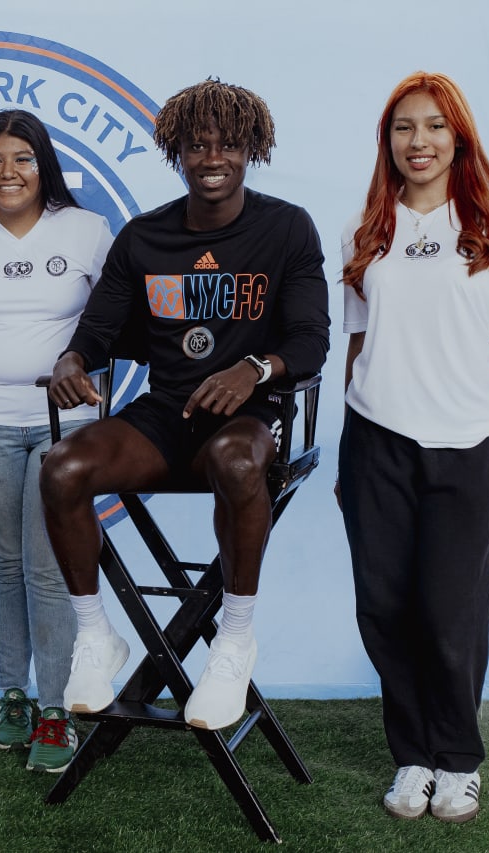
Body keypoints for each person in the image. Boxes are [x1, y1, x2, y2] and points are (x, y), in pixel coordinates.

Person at [40, 80, 330, 731]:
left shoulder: (286, 228)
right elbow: (97, 333)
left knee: (233, 460)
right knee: (61, 468)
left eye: (227, 143)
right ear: (177, 152)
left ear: (251, 148)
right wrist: (70, 362)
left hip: (254, 420)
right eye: (197, 145)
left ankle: (234, 639)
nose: (212, 157)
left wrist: (254, 368)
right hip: (167, 415)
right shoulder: (145, 237)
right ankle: (96, 635)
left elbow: (311, 341)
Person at [338, 71, 489, 823]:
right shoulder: (369, 230)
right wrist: (360, 421)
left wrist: (459, 372)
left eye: (432, 126)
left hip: (466, 439)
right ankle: (414, 756)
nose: (417, 141)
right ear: (387, 142)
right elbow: (359, 346)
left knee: (450, 608)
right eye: (402, 128)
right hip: (376, 440)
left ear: (457, 135)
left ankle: (458, 758)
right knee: (384, 606)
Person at [0, 109, 114, 773]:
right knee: (4, 561)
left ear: (45, 165)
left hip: (63, 427)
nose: (7, 172)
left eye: (22, 158)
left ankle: (55, 707)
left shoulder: (88, 230)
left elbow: (118, 320)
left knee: (47, 566)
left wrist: (92, 372)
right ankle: (12, 692)